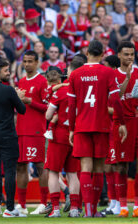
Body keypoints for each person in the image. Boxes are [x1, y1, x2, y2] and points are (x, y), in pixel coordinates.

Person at [67, 40, 127, 217]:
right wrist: (121, 122)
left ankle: (87, 211)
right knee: (99, 167)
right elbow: (116, 100)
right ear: (102, 54)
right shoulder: (108, 72)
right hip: (101, 125)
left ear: (87, 53)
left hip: (82, 126)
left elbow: (71, 105)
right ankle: (93, 210)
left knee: (85, 167)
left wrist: (71, 128)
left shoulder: (75, 74)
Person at [112, 42, 138, 218]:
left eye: (132, 55)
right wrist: (126, 79)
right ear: (119, 55)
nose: (129, 58)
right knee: (121, 167)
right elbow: (116, 98)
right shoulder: (113, 75)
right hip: (121, 124)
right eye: (126, 54)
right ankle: (124, 207)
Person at [44, 60, 84, 218]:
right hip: (76, 136)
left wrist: (54, 116)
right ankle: (75, 208)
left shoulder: (61, 91)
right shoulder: (83, 90)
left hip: (59, 135)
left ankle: (55, 209)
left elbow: (48, 115)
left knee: (53, 172)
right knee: (72, 173)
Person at [0, 58, 26, 218]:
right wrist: (18, 96)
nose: (8, 73)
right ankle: (9, 209)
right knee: (10, 172)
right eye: (5, 71)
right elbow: (22, 110)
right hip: (7, 136)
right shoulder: (9, 90)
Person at [15, 50, 49, 215]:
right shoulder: (21, 81)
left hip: (36, 130)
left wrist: (30, 102)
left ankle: (43, 203)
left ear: (37, 63)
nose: (27, 64)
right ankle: (21, 205)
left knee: (40, 165)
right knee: (20, 166)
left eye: (30, 61)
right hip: (21, 130)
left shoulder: (42, 81)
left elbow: (48, 107)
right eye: (25, 61)